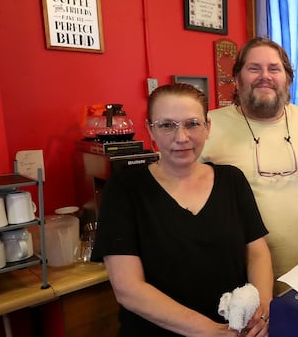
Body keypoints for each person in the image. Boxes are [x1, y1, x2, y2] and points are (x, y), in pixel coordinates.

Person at [91, 83, 273, 336]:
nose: (181, 138)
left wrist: (263, 308)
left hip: (235, 330)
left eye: (192, 124)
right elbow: (128, 288)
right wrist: (210, 331)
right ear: (150, 130)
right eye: (167, 125)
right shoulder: (125, 189)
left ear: (208, 127)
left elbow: (257, 253)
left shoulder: (231, 180)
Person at [200, 38, 298, 294]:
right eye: (254, 68)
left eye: (274, 69)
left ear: (287, 79)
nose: (265, 76)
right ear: (237, 80)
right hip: (240, 288)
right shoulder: (207, 127)